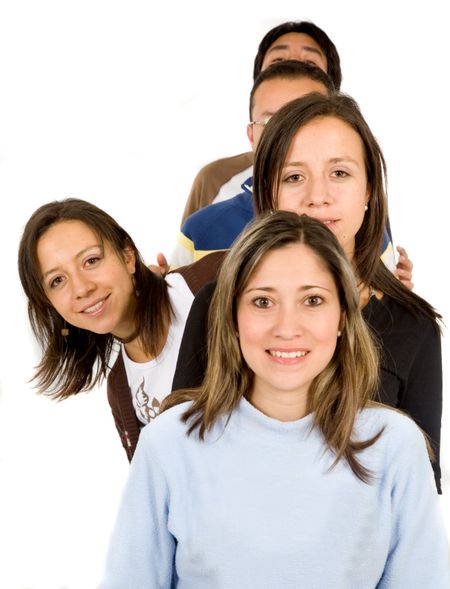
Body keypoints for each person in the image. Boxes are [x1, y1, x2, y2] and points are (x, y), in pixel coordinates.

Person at [101, 213, 450, 588]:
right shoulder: (169, 443)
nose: (287, 327)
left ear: (344, 318)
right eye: (263, 301)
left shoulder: (395, 445)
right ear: (232, 317)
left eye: (313, 300)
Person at [172, 92, 443, 492]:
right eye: (294, 176)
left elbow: (420, 488)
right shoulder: (217, 304)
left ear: (369, 189)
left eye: (340, 173)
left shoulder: (413, 325)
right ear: (269, 193)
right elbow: (177, 457)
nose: (318, 196)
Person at [17, 198, 220, 460]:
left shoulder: (215, 278)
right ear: (49, 302)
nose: (81, 288)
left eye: (91, 261)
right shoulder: (121, 389)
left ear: (127, 256)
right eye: (57, 280)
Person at [180, 20, 341, 223]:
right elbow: (192, 249)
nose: (292, 67)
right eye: (278, 61)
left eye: (309, 64)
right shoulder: (215, 180)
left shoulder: (353, 175)